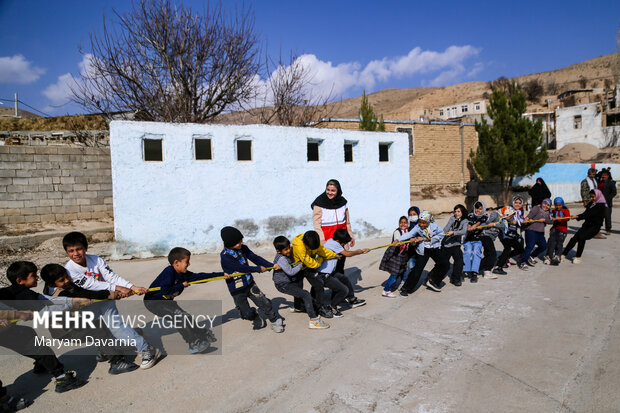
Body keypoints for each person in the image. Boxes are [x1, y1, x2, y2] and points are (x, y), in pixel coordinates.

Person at [0, 262, 88, 393]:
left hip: (5, 327)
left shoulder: (22, 292)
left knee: (28, 333)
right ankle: (62, 378)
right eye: (33, 275)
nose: (37, 278)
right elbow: (45, 312)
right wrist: (71, 305)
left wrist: (72, 301)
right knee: (40, 347)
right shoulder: (24, 296)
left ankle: (42, 365)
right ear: (20, 281)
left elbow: (46, 299)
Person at [145, 247, 223, 353]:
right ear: (176, 262)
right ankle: (194, 343)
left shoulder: (183, 274)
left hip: (166, 301)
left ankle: (201, 332)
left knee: (185, 316)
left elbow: (200, 277)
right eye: (187, 262)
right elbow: (165, 290)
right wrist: (181, 286)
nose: (189, 264)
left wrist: (221, 275)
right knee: (180, 318)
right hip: (154, 302)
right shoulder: (169, 272)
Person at [220, 227, 284, 333]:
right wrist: (258, 269)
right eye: (238, 242)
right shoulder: (225, 257)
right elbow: (241, 268)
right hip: (237, 290)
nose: (241, 243)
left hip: (249, 283)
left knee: (264, 303)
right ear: (229, 244)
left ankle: (274, 320)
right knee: (246, 314)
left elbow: (255, 258)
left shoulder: (243, 248)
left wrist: (271, 266)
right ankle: (254, 315)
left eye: (241, 240)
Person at [62, 231, 147, 297]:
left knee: (115, 320)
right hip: (88, 304)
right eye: (71, 251)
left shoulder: (96, 260)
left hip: (106, 299)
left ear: (86, 248)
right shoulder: (69, 270)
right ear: (66, 252)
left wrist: (132, 287)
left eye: (79, 249)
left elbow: (111, 277)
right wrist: (118, 288)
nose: (76, 253)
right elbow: (92, 284)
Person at [272, 236, 329, 329]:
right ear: (278, 251)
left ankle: (298, 307)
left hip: (289, 280)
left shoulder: (288, 253)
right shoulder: (281, 259)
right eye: (285, 250)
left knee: (299, 282)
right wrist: (301, 265)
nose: (289, 251)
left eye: (289, 247)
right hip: (282, 284)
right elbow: (291, 271)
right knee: (305, 294)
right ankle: (313, 321)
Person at [314, 229, 368, 316]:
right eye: (343, 243)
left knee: (344, 278)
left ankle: (352, 299)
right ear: (338, 240)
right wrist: (359, 251)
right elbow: (347, 254)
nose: (343, 246)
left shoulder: (331, 241)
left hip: (329, 273)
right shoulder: (335, 244)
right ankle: (332, 307)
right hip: (323, 275)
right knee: (343, 290)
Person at [291, 230, 339, 318]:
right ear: (304, 243)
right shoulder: (299, 246)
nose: (311, 250)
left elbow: (322, 251)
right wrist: (321, 259)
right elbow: (311, 263)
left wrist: (333, 255)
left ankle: (319, 308)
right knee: (298, 289)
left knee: (319, 284)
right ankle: (298, 307)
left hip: (308, 268)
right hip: (297, 269)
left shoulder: (313, 241)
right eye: (309, 248)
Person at [398, 211, 447, 295]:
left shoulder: (434, 226)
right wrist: (398, 240)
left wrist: (430, 239)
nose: (421, 225)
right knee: (417, 269)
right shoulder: (417, 227)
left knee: (444, 264)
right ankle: (406, 288)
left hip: (434, 247)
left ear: (429, 221)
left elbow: (441, 234)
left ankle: (432, 280)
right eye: (420, 222)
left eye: (423, 223)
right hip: (423, 250)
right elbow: (409, 234)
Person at [311, 179, 354, 275]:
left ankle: (338, 289)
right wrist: (322, 240)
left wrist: (350, 236)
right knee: (326, 267)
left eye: (333, 190)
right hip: (328, 240)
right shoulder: (319, 203)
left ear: (338, 191)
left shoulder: (343, 202)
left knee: (340, 265)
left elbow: (347, 222)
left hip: (342, 240)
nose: (329, 193)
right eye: (328, 190)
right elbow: (317, 225)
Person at [559, 189, 607, 264]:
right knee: (574, 238)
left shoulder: (601, 205)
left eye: (593, 197)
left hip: (594, 227)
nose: (591, 199)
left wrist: (577, 216)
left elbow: (589, 214)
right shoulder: (591, 203)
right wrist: (577, 216)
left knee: (582, 237)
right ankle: (564, 254)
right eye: (590, 197)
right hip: (586, 225)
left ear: (598, 196)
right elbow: (586, 213)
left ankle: (578, 257)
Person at [380, 216, 412, 297]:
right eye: (401, 222)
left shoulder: (408, 231)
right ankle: (386, 290)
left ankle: (400, 284)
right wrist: (399, 242)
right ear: (399, 223)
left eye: (405, 223)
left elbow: (411, 241)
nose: (403, 224)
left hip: (403, 255)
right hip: (396, 255)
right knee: (394, 274)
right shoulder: (397, 232)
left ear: (408, 224)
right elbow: (397, 239)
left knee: (403, 270)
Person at [520, 198, 553, 270]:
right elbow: (529, 216)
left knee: (543, 246)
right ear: (542, 203)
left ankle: (531, 256)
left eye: (548, 205)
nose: (546, 206)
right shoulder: (536, 208)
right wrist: (528, 219)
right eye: (544, 204)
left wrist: (545, 220)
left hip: (540, 232)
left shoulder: (549, 212)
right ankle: (523, 262)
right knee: (530, 246)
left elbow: (551, 221)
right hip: (531, 230)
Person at [441, 205, 469, 286]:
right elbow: (446, 228)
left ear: (462, 212)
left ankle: (456, 278)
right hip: (446, 244)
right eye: (455, 211)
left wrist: (453, 233)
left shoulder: (465, 221)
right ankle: (433, 276)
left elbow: (464, 231)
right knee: (443, 262)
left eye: (458, 211)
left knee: (459, 260)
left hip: (456, 244)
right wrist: (442, 234)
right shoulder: (452, 218)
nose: (456, 213)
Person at [493, 206, 524, 274]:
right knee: (507, 248)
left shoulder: (516, 216)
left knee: (520, 249)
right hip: (504, 236)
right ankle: (498, 267)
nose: (510, 217)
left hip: (512, 236)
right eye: (509, 215)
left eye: (511, 215)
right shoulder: (501, 218)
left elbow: (522, 222)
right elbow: (499, 224)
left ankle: (502, 257)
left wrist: (518, 222)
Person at [462, 202, 488, 283]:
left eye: (480, 209)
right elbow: (468, 222)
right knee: (467, 252)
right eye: (476, 208)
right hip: (468, 239)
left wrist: (475, 226)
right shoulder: (470, 215)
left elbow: (481, 221)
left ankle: (474, 273)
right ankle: (465, 270)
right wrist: (469, 226)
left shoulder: (486, 215)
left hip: (478, 240)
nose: (478, 210)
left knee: (476, 252)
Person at [544, 197, 570, 265]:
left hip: (562, 229)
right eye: (556, 205)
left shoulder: (565, 210)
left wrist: (561, 218)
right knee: (551, 242)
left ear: (562, 204)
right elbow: (550, 217)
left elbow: (567, 218)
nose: (558, 207)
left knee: (559, 243)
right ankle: (549, 256)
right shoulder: (554, 211)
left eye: (559, 205)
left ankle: (557, 256)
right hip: (555, 229)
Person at [599, 169, 616, 235]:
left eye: (605, 175)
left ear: (608, 176)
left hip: (607, 202)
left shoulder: (611, 183)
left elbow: (614, 192)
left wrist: (608, 198)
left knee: (607, 216)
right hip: (599, 202)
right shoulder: (599, 182)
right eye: (602, 175)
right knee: (599, 216)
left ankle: (608, 229)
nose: (603, 176)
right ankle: (598, 229)